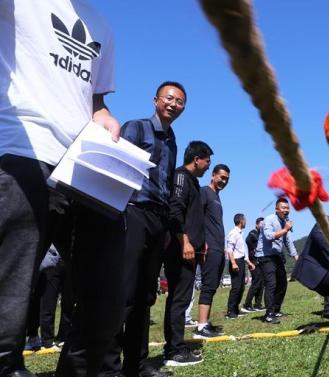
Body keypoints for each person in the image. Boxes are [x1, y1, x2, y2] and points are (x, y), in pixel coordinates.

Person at [0, 2, 118, 375]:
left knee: (109, 285)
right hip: (22, 148)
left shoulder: (102, 25)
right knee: (12, 281)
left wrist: (105, 117)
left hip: (83, 166)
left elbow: (94, 100)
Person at [87, 81, 185, 377]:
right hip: (133, 212)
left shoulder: (172, 139)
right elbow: (117, 164)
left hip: (158, 219)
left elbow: (166, 185)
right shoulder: (136, 128)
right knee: (124, 292)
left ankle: (138, 364)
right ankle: (108, 368)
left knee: (146, 295)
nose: (174, 104)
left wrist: (167, 224)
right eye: (169, 98)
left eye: (180, 101)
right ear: (156, 100)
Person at [162, 141, 213, 367]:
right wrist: (185, 241)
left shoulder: (193, 181)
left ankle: (176, 345)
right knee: (178, 298)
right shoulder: (181, 177)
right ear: (196, 159)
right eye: (207, 161)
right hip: (181, 249)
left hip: (193, 249)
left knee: (182, 297)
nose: (208, 166)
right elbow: (175, 210)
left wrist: (201, 245)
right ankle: (174, 350)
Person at [192, 164, 230, 338]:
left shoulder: (217, 196)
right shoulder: (204, 192)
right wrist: (202, 243)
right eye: (221, 177)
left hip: (218, 247)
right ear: (213, 175)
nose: (224, 181)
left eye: (226, 179)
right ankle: (201, 327)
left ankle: (205, 322)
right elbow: (196, 216)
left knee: (213, 285)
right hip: (209, 246)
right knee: (208, 285)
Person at [255, 198, 298, 324]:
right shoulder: (269, 219)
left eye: (287, 208)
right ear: (276, 209)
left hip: (276, 255)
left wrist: (296, 257)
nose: (286, 210)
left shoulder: (285, 221)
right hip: (264, 255)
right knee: (271, 284)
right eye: (283, 207)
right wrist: (285, 229)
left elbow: (287, 241)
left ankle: (276, 309)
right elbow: (269, 237)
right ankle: (269, 314)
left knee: (283, 283)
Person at [223, 214, 255, 320]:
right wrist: (233, 263)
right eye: (245, 220)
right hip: (235, 261)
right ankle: (230, 311)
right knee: (236, 287)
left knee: (241, 287)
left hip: (241, 261)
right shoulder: (233, 233)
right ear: (241, 221)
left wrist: (248, 262)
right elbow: (229, 249)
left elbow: (242, 251)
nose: (246, 222)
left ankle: (236, 309)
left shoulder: (240, 234)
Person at [242, 217, 266, 312]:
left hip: (261, 261)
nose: (263, 225)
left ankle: (258, 304)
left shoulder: (262, 234)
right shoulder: (253, 233)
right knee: (256, 283)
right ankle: (247, 304)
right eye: (261, 224)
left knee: (261, 283)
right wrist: (254, 248)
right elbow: (248, 240)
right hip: (253, 262)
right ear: (257, 224)